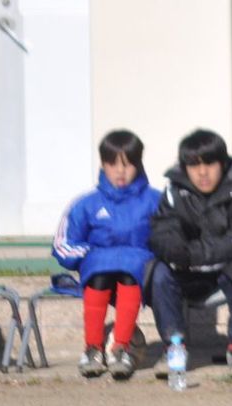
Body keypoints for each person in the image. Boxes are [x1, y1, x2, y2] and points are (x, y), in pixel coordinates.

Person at [146, 129, 232, 377]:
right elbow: (162, 230)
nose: (202, 172)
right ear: (184, 167)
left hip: (229, 266)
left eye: (210, 163)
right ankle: (174, 347)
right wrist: (175, 250)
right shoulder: (173, 193)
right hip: (188, 270)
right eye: (193, 165)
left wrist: (195, 254)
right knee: (157, 271)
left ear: (223, 164)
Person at [53, 130, 160, 380]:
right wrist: (91, 255)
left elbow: (169, 240)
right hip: (98, 280)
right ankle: (93, 348)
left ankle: (121, 347)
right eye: (112, 164)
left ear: (139, 164)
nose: (120, 172)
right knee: (100, 269)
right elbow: (63, 244)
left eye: (128, 164)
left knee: (131, 269)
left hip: (137, 280)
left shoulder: (155, 201)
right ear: (102, 164)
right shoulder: (86, 203)